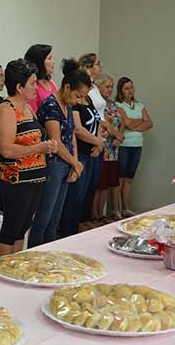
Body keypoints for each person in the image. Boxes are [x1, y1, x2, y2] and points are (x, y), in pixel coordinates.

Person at [0, 59, 56, 257]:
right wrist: (41, 147)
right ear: (19, 87)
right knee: (11, 230)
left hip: (34, 178)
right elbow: (7, 149)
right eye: (32, 83)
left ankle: (15, 268)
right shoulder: (6, 109)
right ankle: (0, 271)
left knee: (22, 228)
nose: (36, 88)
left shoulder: (28, 108)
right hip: (16, 179)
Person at [28, 60, 89, 247]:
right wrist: (75, 163)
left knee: (56, 218)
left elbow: (71, 136)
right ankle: (35, 255)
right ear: (67, 87)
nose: (78, 101)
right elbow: (57, 142)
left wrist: (75, 162)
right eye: (78, 96)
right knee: (43, 218)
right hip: (52, 165)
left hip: (66, 163)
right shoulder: (50, 106)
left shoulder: (67, 106)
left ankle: (50, 253)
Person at [60, 59, 106, 237]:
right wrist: (97, 142)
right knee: (74, 198)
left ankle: (81, 229)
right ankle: (69, 232)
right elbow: (77, 129)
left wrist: (99, 142)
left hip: (94, 150)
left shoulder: (87, 98)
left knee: (88, 193)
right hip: (82, 152)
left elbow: (98, 119)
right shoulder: (74, 101)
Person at [115, 77, 153, 218]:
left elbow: (149, 123)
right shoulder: (118, 106)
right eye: (126, 88)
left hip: (137, 146)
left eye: (131, 87)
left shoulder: (140, 106)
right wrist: (139, 122)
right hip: (124, 145)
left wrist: (134, 122)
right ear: (121, 91)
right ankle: (117, 209)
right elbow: (127, 124)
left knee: (130, 178)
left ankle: (126, 207)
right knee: (120, 178)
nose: (130, 90)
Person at [92, 74, 125, 222]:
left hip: (113, 150)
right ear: (98, 87)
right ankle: (94, 215)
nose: (110, 89)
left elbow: (121, 121)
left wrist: (119, 137)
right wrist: (118, 135)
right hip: (102, 147)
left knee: (107, 184)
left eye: (112, 86)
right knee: (99, 184)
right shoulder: (97, 104)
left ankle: (102, 214)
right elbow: (105, 124)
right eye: (107, 86)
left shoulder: (112, 104)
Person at [24, 44, 57, 112]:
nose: (53, 62)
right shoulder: (32, 86)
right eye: (49, 58)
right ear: (40, 61)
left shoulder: (51, 83)